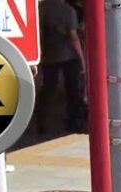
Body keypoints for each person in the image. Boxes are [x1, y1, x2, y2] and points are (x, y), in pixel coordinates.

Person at [37, 0, 86, 134]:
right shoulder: (69, 10)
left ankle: (42, 122)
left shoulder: (42, 8)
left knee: (48, 88)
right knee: (73, 90)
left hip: (48, 55)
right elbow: (73, 37)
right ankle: (73, 122)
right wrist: (82, 59)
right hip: (68, 55)